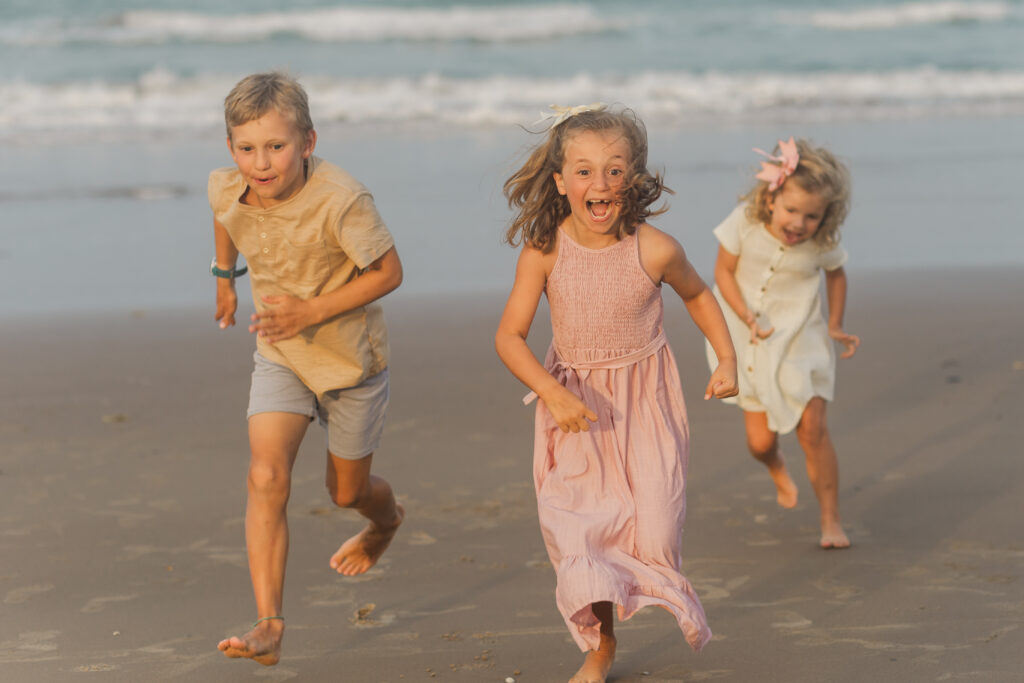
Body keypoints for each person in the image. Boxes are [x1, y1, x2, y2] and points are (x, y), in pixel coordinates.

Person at [494, 104, 739, 683]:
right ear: (560, 182)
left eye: (613, 170)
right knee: (581, 530)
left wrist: (726, 357)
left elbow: (700, 296)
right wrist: (551, 393)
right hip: (572, 404)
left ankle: (645, 593)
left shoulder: (655, 249)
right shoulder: (545, 250)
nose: (598, 184)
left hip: (645, 404)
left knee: (652, 527)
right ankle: (600, 649)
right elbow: (508, 337)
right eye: (583, 171)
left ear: (634, 178)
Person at [209, 71, 404, 666]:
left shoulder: (343, 199)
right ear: (231, 148)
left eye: (276, 146)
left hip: (349, 363)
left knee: (346, 492)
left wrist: (312, 310)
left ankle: (385, 521)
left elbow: (389, 273)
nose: (260, 163)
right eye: (247, 148)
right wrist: (225, 280)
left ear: (308, 142)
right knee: (265, 476)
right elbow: (226, 216)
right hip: (280, 350)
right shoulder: (226, 185)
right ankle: (269, 622)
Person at [705, 136, 860, 549]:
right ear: (771, 197)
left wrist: (836, 324)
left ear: (826, 216)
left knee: (813, 429)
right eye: (792, 210)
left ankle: (831, 519)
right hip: (745, 339)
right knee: (759, 442)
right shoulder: (744, 221)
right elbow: (722, 273)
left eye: (812, 216)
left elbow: (837, 273)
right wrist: (745, 316)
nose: (799, 224)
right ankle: (775, 465)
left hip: (800, 340)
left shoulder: (822, 242)